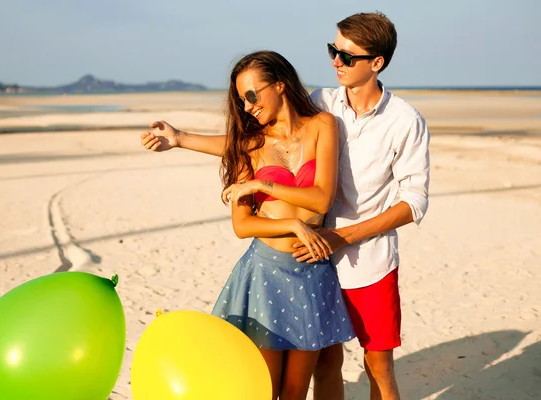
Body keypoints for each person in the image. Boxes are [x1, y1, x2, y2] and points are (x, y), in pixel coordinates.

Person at [141, 12, 430, 400]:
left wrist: (339, 235)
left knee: (376, 365)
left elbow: (414, 200)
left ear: (376, 63)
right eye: (333, 51)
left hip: (366, 257)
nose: (335, 62)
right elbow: (253, 142)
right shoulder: (321, 102)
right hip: (309, 260)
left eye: (346, 56)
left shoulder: (403, 121)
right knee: (322, 366)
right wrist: (180, 138)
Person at [189, 50, 356, 400]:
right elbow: (243, 225)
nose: (247, 106)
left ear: (279, 85)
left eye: (251, 95)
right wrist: (294, 224)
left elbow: (322, 198)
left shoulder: (323, 125)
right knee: (265, 389)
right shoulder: (249, 145)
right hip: (265, 275)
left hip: (312, 271)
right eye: (241, 100)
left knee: (295, 391)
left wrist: (261, 185)